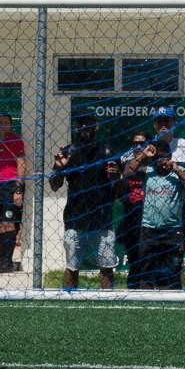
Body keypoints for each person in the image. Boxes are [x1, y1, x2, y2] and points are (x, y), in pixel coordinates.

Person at [49, 114, 119, 290]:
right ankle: (69, 300)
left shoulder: (107, 151)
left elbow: (119, 188)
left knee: (106, 268)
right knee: (72, 266)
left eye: (89, 123)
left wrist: (117, 176)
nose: (84, 127)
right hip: (75, 219)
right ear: (76, 128)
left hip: (102, 220)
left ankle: (108, 303)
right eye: (81, 124)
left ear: (96, 126)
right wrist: (58, 167)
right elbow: (54, 186)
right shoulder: (68, 152)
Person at [124, 139, 185, 289]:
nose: (160, 161)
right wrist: (143, 155)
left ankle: (174, 307)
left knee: (173, 275)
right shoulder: (147, 172)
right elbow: (127, 173)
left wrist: (176, 168)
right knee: (146, 273)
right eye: (157, 157)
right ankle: (146, 307)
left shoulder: (178, 172)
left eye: (164, 157)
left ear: (170, 157)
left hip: (173, 231)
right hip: (149, 230)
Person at [151, 106, 185, 287]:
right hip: (152, 214)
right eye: (160, 121)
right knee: (152, 257)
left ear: (174, 123)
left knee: (177, 257)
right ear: (155, 125)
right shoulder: (149, 147)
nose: (164, 125)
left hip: (176, 211)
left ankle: (177, 293)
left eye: (168, 121)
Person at [0, 113, 26, 273]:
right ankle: (2, 258)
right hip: (0, 187)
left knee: (9, 223)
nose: (3, 124)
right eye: (0, 122)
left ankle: (8, 261)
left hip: (11, 186)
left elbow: (21, 164)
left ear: (11, 124)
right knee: (1, 224)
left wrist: (18, 189)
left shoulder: (15, 140)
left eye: (6, 122)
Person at [117, 131, 152, 289]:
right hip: (131, 219)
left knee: (149, 263)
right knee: (134, 262)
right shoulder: (128, 163)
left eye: (142, 143)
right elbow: (127, 174)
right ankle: (132, 294)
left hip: (151, 221)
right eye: (135, 144)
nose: (138, 146)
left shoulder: (155, 163)